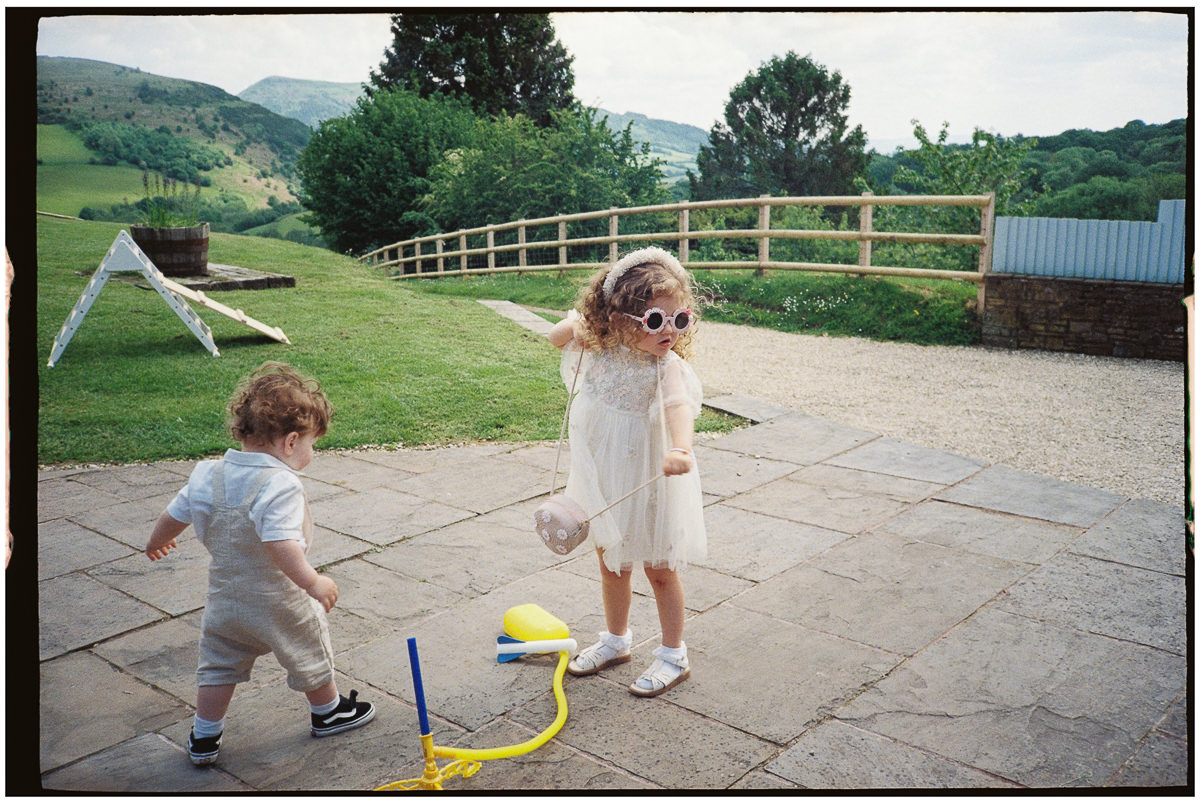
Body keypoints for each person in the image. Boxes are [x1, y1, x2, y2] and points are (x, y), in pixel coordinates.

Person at [145, 361, 374, 766]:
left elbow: (173, 513)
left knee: (217, 664)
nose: (310, 454)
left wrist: (157, 541)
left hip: (225, 596)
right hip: (279, 596)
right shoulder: (280, 482)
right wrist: (313, 582)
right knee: (308, 649)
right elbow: (280, 543)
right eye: (310, 444)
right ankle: (328, 711)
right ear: (289, 442)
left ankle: (204, 735)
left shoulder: (207, 474)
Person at [547, 246, 706, 697]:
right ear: (620, 320)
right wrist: (585, 321)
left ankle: (674, 654)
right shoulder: (601, 348)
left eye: (681, 319)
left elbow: (678, 409)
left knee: (660, 567)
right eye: (656, 321)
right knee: (611, 563)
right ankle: (616, 640)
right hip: (607, 478)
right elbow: (556, 336)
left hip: (652, 477)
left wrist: (681, 448)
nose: (670, 331)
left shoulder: (666, 368)